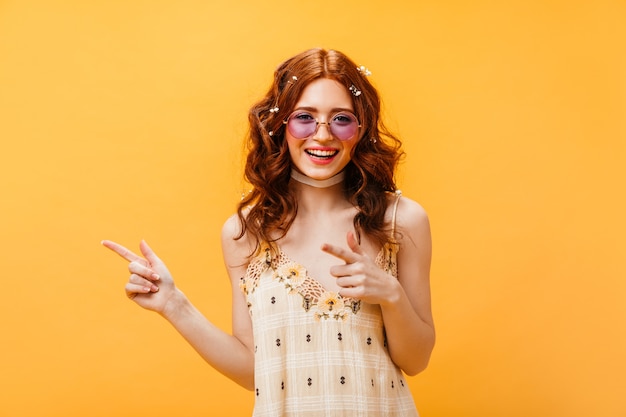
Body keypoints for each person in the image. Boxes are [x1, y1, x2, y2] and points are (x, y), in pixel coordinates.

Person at [102, 48, 435, 416]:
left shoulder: (401, 221)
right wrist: (174, 305)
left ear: (360, 130)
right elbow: (253, 370)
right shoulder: (245, 232)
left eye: (341, 119)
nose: (322, 135)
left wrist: (391, 294)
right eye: (304, 118)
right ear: (280, 126)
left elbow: (417, 359)